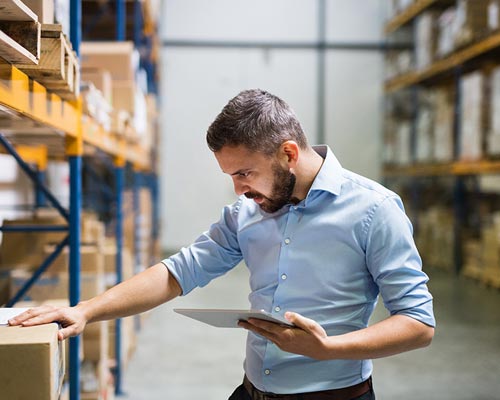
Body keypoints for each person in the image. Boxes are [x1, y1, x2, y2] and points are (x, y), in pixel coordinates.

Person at [9, 89, 435, 400]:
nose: (238, 190)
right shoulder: (245, 215)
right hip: (253, 392)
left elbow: (418, 323)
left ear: (288, 153)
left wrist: (327, 348)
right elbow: (179, 272)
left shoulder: (375, 210)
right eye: (231, 176)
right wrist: (85, 310)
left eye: (245, 173)